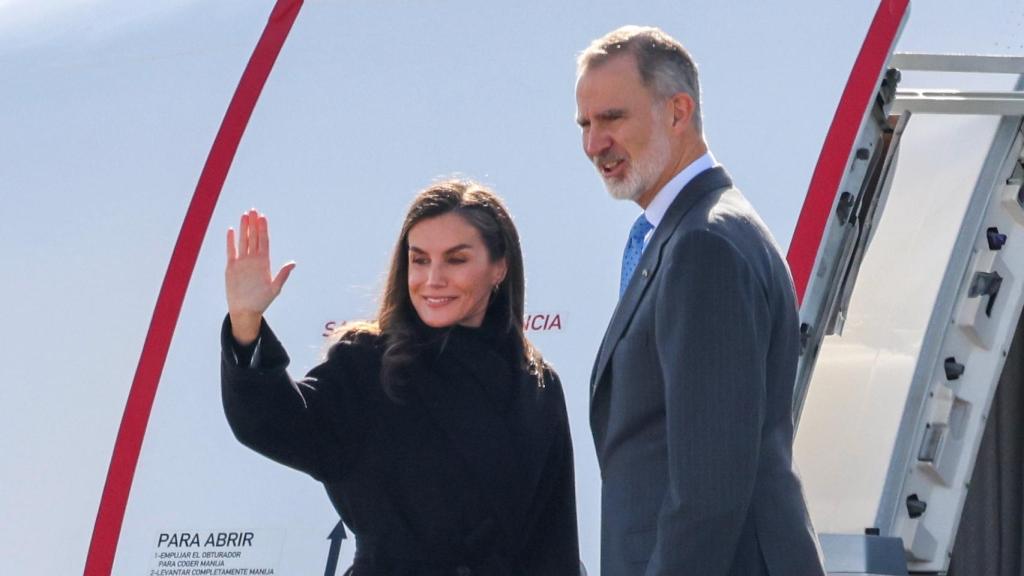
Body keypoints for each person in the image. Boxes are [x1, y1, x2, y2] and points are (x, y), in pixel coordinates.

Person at [220, 180, 579, 575]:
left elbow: (554, 539)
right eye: (420, 259)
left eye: (456, 260)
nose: (432, 279)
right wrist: (246, 322)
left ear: (500, 267)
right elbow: (274, 423)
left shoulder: (537, 384)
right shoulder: (367, 361)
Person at [575, 26, 825, 575]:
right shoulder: (695, 231)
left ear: (678, 111)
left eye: (612, 118)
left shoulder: (702, 246)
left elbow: (708, 493)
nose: (594, 144)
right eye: (586, 125)